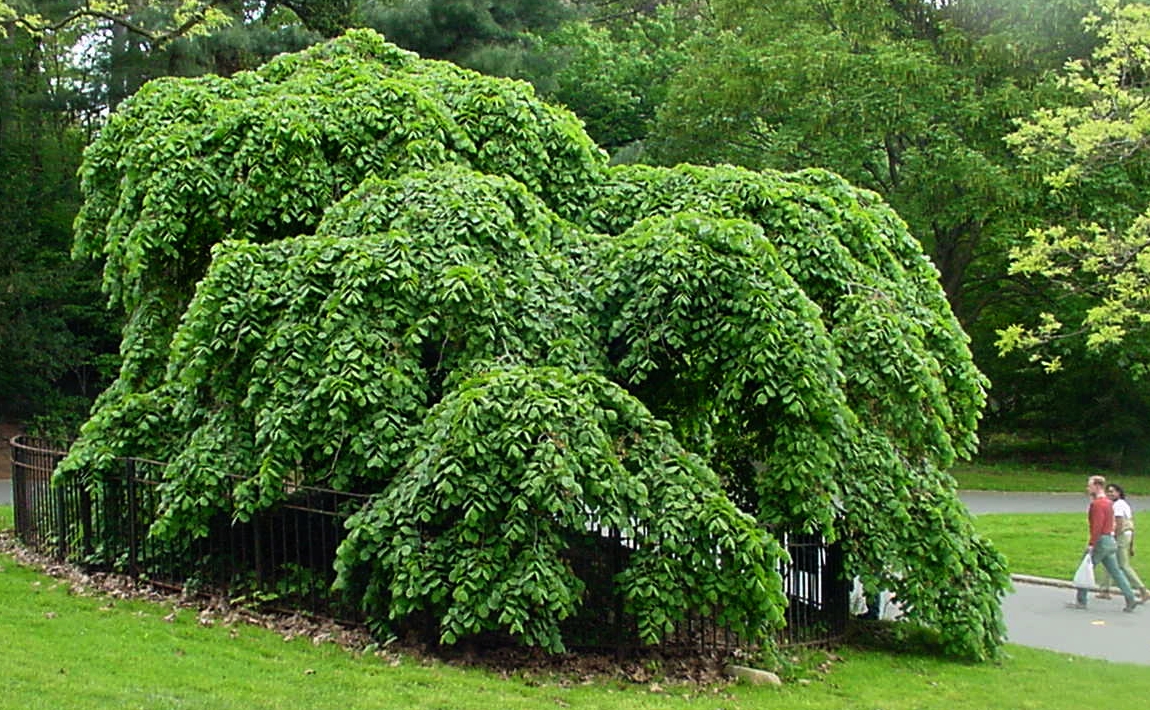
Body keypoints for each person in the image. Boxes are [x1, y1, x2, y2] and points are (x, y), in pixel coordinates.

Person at [1070, 475, 1139, 612]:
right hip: (1109, 539)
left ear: (1097, 486)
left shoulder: (1097, 504)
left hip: (1100, 541)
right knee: (1116, 572)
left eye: (1089, 486)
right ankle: (1130, 598)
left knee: (1085, 567)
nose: (1087, 488)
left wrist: (1091, 544)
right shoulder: (1108, 503)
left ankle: (1081, 600)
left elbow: (1097, 526)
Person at [1096, 483, 1150, 603]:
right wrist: (1131, 545)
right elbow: (1131, 525)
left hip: (1120, 536)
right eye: (1108, 491)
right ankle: (1105, 590)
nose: (1110, 494)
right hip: (1126, 535)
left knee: (1123, 565)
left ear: (1119, 493)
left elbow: (1120, 523)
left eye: (1113, 491)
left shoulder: (1118, 505)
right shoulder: (1119, 504)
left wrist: (1113, 537)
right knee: (1109, 560)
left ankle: (1143, 591)